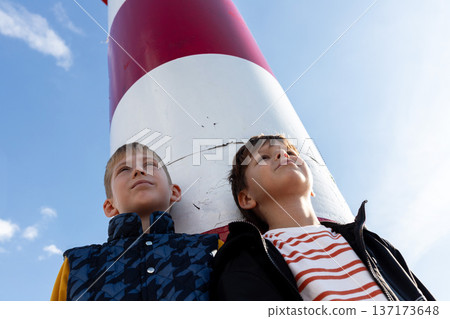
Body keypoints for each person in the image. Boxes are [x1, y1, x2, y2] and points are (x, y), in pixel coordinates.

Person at [210, 134, 434, 301]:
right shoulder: (247, 257)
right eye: (264, 157)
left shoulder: (372, 243)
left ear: (312, 188)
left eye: (290, 153)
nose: (282, 155)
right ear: (246, 198)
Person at [51, 142, 219, 301]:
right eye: (124, 169)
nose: (138, 170)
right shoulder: (77, 265)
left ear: (174, 192)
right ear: (110, 206)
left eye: (150, 165)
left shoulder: (212, 249)